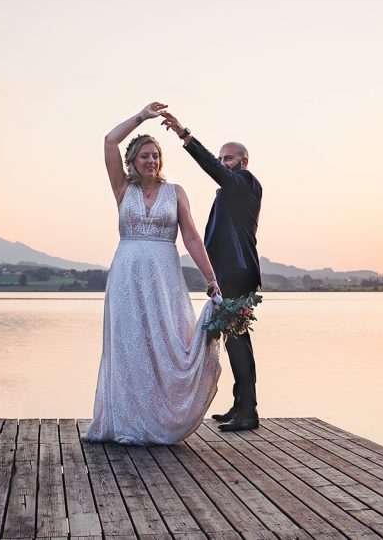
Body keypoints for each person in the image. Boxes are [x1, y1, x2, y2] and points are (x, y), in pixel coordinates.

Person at [83, 102, 223, 445]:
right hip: (126, 279)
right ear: (133, 162)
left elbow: (190, 236)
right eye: (144, 156)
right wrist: (142, 116)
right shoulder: (122, 190)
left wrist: (210, 278)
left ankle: (161, 419)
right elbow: (108, 141)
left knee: (166, 344)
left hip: (164, 280)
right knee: (131, 347)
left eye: (155, 156)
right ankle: (128, 422)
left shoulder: (175, 193)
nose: (151, 161)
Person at [160, 110, 262, 432]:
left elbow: (214, 170)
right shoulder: (232, 189)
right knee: (235, 339)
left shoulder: (244, 182)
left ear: (243, 162)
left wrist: (185, 136)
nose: (222, 162)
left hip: (237, 270)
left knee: (238, 340)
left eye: (228, 158)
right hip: (231, 270)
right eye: (221, 158)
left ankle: (249, 412)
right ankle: (241, 405)